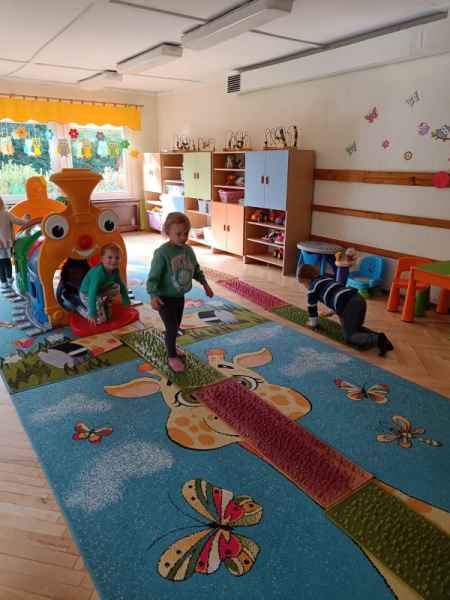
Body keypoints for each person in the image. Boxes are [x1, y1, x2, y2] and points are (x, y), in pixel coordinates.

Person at [147, 212, 213, 373]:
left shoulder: (188, 250)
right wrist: (153, 295)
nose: (183, 237)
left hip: (179, 296)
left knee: (176, 326)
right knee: (171, 327)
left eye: (186, 233)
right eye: (178, 234)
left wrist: (205, 284)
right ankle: (172, 356)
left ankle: (172, 347)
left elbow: (195, 269)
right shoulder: (162, 253)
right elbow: (153, 277)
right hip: (163, 298)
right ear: (167, 231)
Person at [297, 263, 394, 356]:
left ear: (307, 280)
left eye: (303, 284)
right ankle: (381, 337)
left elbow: (312, 308)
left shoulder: (312, 289)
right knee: (356, 328)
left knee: (349, 336)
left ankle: (378, 340)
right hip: (358, 298)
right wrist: (331, 312)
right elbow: (337, 294)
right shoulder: (326, 278)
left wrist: (313, 323)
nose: (305, 287)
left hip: (349, 306)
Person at [78, 243, 130, 325]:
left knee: (116, 287)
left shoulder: (115, 270)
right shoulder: (98, 273)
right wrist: (92, 313)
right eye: (110, 257)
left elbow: (121, 285)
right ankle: (80, 309)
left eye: (117, 258)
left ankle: (103, 302)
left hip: (100, 290)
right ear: (102, 259)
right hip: (86, 294)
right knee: (100, 320)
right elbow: (92, 293)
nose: (114, 261)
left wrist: (126, 300)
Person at [0, 196, 30, 290]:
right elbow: (19, 222)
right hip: (7, 243)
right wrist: (26, 219)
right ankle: (9, 278)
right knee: (7, 261)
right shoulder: (6, 214)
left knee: (0, 263)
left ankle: (3, 282)